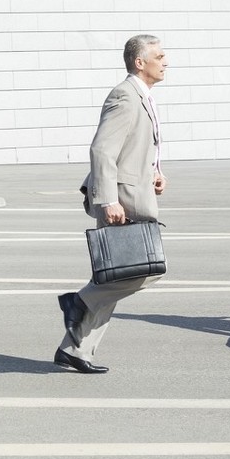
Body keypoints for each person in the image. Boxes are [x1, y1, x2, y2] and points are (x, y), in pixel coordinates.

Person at [55, 35, 168, 373]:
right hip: (121, 201)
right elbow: (102, 150)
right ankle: (78, 302)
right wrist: (107, 199)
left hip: (134, 192)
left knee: (114, 276)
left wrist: (155, 172)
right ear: (139, 62)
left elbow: (133, 147)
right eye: (159, 56)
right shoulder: (125, 95)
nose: (166, 61)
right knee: (143, 272)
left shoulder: (142, 96)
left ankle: (76, 350)